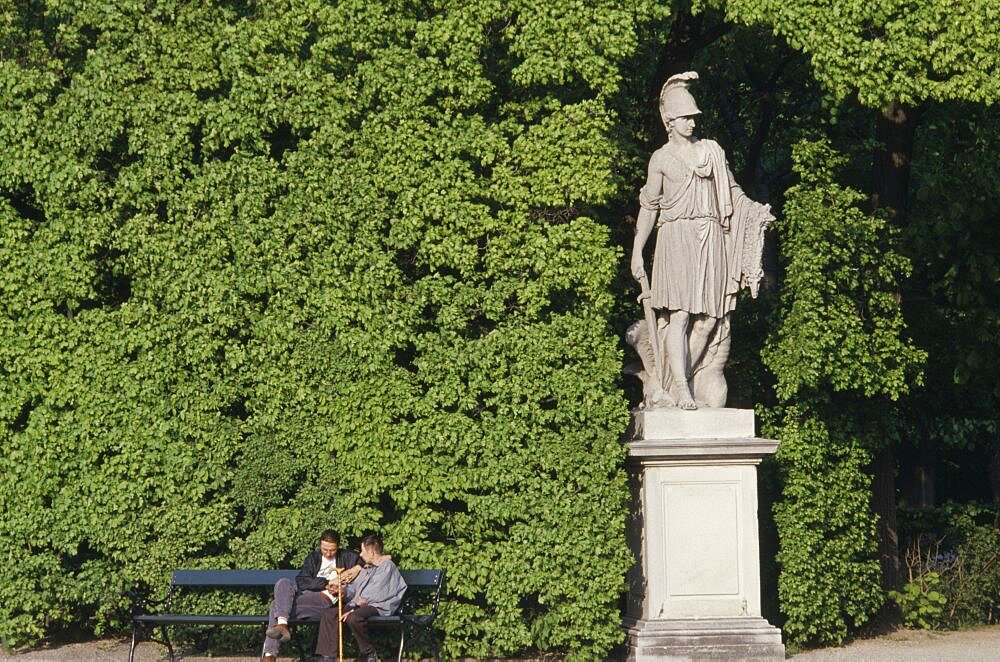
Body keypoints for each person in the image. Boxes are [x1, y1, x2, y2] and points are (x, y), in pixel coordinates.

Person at [630, 71, 773, 410]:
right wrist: (637, 252)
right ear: (670, 120)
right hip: (676, 238)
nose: (692, 123)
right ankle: (680, 387)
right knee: (679, 316)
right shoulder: (661, 159)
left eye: (694, 118)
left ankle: (679, 378)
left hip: (710, 240)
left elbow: (732, 191)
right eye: (685, 118)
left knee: (710, 318)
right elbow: (649, 207)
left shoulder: (712, 151)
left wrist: (753, 212)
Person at [260, 530, 362, 662]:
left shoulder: (348, 556)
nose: (328, 553)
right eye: (325, 549)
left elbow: (372, 557)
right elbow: (302, 581)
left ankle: (270, 654)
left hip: (325, 600)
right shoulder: (313, 558)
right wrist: (325, 583)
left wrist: (357, 568)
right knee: (283, 582)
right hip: (306, 595)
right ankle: (282, 625)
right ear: (320, 545)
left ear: (338, 546)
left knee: (276, 605)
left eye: (332, 550)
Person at [314, 532, 407, 662]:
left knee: (354, 617)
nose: (361, 555)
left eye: (363, 551)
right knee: (330, 614)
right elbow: (354, 588)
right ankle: (327, 657)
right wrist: (342, 591)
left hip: (378, 605)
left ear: (372, 553)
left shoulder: (387, 567)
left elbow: (376, 593)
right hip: (358, 605)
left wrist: (355, 607)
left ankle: (369, 652)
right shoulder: (366, 568)